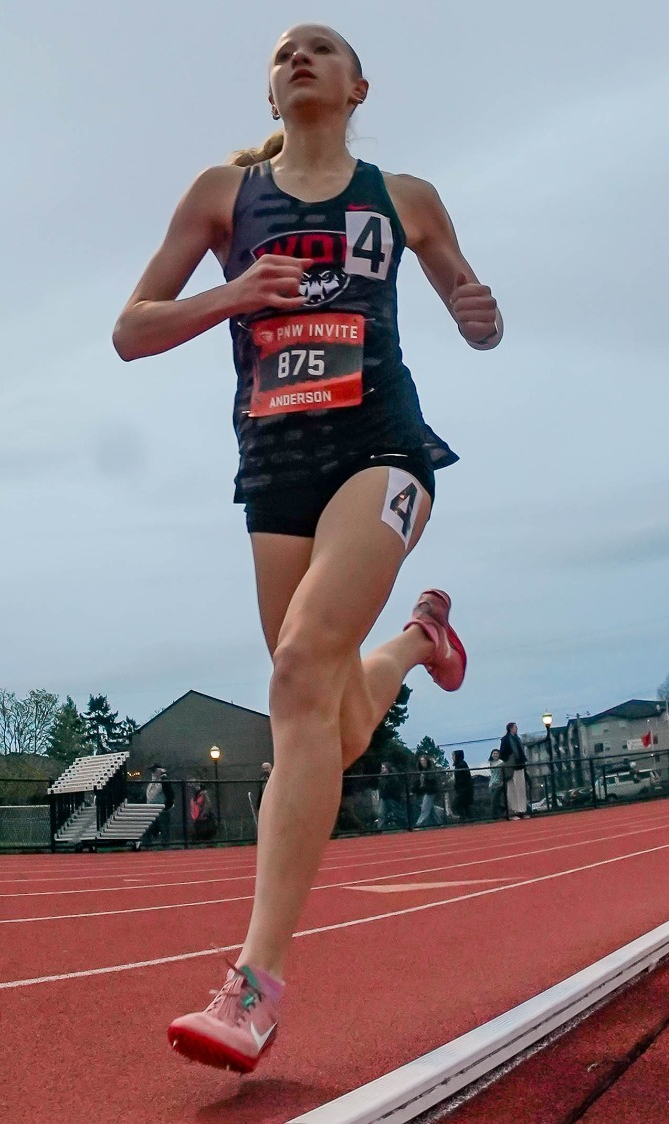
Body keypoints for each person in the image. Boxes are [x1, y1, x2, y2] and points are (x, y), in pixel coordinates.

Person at [118, 23, 499, 1074]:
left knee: (293, 674)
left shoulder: (404, 195)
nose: (297, 56)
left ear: (356, 84)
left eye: (319, 47)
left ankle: (251, 985)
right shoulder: (221, 196)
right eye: (282, 49)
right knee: (319, 724)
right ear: (270, 90)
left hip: (382, 449)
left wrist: (480, 316)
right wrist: (232, 293)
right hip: (272, 469)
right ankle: (420, 642)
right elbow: (129, 326)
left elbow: (474, 313)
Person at [501, 722, 529, 817]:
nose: (516, 729)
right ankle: (513, 811)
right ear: (510, 728)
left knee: (521, 789)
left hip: (520, 766)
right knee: (512, 790)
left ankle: (522, 810)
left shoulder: (518, 739)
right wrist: (510, 759)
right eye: (515, 727)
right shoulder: (505, 740)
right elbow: (502, 753)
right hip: (511, 768)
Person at [413, 750, 447, 828]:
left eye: (424, 761)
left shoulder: (431, 770)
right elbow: (417, 783)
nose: (423, 763)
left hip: (430, 791)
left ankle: (419, 824)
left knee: (425, 809)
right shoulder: (419, 772)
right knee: (431, 809)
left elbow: (432, 779)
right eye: (421, 761)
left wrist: (425, 775)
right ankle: (440, 823)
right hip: (423, 792)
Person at [377, 761, 407, 829]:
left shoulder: (393, 777)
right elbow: (381, 787)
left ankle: (405, 825)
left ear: (388, 768)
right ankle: (379, 828)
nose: (382, 769)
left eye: (384, 768)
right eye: (382, 768)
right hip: (384, 797)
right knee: (381, 813)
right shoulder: (381, 777)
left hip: (392, 798)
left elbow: (394, 788)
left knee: (398, 812)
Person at [450, 749, 473, 820]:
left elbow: (464, 778)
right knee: (464, 805)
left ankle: (463, 817)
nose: (452, 757)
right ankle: (468, 818)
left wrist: (459, 786)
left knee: (457, 804)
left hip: (464, 789)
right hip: (462, 788)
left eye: (453, 755)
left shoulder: (462, 764)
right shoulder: (458, 765)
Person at [486, 748, 508, 820]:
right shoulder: (491, 763)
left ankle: (495, 816)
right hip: (492, 784)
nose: (495, 755)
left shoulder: (501, 763)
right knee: (494, 801)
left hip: (499, 784)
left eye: (497, 753)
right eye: (494, 753)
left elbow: (503, 773)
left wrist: (502, 782)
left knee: (494, 800)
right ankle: (502, 811)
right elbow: (492, 774)